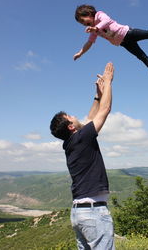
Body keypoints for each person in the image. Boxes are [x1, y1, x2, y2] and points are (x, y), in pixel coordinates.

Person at [50, 62, 115, 250]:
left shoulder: (71, 143)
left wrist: (97, 95)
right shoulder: (81, 138)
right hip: (94, 213)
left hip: (79, 214)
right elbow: (105, 111)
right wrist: (109, 82)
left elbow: (89, 119)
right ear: (71, 126)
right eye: (71, 116)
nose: (75, 116)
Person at [73, 4, 148, 87]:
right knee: (141, 56)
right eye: (81, 23)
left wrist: (96, 27)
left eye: (83, 20)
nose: (83, 24)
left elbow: (106, 21)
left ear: (88, 14)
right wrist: (81, 53)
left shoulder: (99, 15)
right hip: (123, 43)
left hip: (128, 33)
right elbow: (89, 42)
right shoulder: (94, 31)